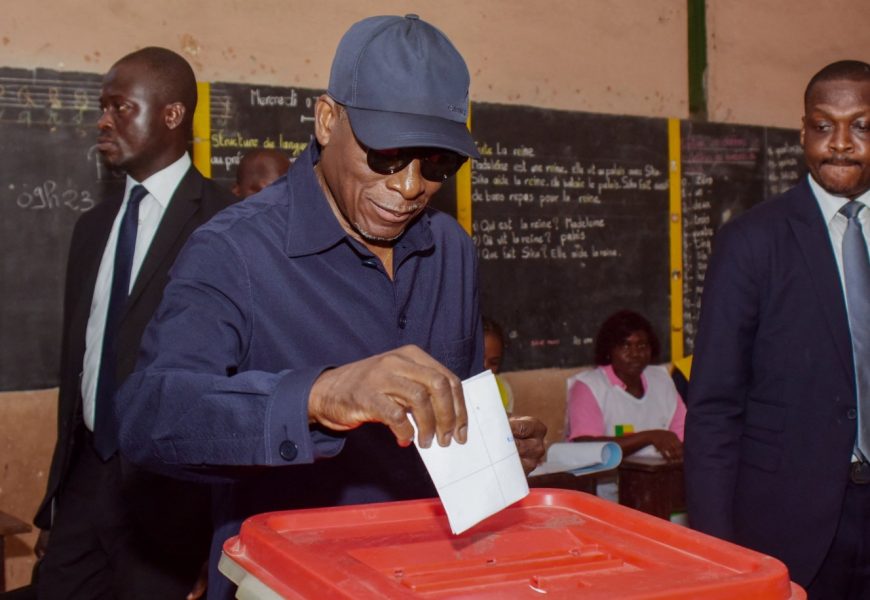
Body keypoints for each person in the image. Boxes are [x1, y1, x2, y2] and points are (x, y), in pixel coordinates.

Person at [114, 15, 545, 599]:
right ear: (326, 121)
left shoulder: (451, 251)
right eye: (387, 155)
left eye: (438, 163)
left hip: (429, 578)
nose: (410, 187)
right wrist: (317, 396)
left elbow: (448, 421)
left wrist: (490, 453)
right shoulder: (234, 250)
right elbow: (149, 417)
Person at [32, 47, 237, 599]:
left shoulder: (226, 224)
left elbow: (236, 379)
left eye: (120, 108)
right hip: (86, 481)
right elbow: (78, 367)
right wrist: (56, 502)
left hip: (171, 499)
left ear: (172, 114)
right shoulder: (92, 227)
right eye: (102, 108)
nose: (103, 121)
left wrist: (212, 536)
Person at [684, 60, 870, 597]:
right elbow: (714, 408)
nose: (841, 143)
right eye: (823, 125)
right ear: (803, 132)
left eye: (861, 125)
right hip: (789, 526)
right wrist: (719, 554)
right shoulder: (751, 241)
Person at [565, 310, 685, 462]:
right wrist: (649, 437)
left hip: (659, 473)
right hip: (607, 476)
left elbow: (683, 434)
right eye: (625, 346)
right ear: (609, 350)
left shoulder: (661, 380)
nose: (635, 354)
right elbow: (586, 446)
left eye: (642, 346)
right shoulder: (589, 386)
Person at [483, 316, 514, 412]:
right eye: (478, 360)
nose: (485, 367)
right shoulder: (449, 389)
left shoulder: (502, 389)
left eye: (493, 363)